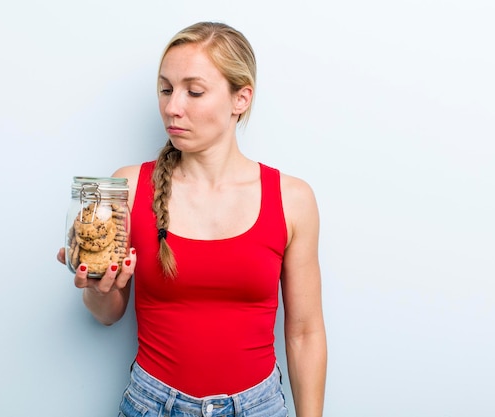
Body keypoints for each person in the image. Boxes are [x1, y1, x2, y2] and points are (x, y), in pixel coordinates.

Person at [57, 21, 327, 417]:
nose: (172, 107)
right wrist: (98, 289)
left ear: (241, 98)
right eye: (166, 89)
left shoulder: (293, 198)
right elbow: (109, 314)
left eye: (194, 91)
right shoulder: (129, 186)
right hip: (152, 404)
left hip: (259, 407)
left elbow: (305, 333)